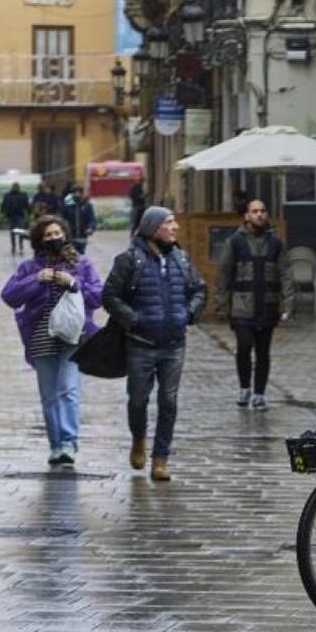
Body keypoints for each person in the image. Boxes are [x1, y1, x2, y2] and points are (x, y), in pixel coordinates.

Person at [102, 206, 206, 482]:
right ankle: (138, 439)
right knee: (138, 400)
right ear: (153, 227)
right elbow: (110, 296)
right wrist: (133, 319)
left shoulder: (180, 258)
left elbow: (199, 288)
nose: (175, 227)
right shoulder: (129, 260)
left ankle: (161, 459)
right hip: (141, 343)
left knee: (168, 401)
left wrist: (188, 313)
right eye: (169, 222)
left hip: (174, 344)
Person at [1, 215, 104, 467]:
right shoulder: (30, 268)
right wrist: (36, 279)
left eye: (57, 233)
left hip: (75, 336)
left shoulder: (81, 264)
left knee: (68, 388)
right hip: (41, 337)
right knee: (49, 395)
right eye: (48, 235)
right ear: (39, 240)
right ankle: (56, 445)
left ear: (65, 234)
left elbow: (99, 296)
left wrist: (74, 283)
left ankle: (68, 443)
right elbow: (9, 296)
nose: (54, 238)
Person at [214, 199, 294, 410]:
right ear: (247, 216)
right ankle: (244, 388)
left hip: (267, 306)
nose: (259, 214)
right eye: (255, 211)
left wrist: (288, 305)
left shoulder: (276, 243)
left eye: (262, 211)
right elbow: (224, 274)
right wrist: (221, 305)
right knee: (244, 346)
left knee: (263, 352)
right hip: (242, 307)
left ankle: (259, 394)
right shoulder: (235, 242)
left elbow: (285, 274)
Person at [60, 183, 97, 254]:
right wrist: (64, 229)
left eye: (79, 192)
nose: (77, 194)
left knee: (81, 255)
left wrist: (90, 228)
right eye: (75, 192)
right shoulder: (66, 206)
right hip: (70, 237)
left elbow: (92, 219)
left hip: (82, 236)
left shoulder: (87, 206)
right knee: (70, 255)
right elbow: (62, 219)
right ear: (71, 194)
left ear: (82, 193)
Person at [2, 182, 31, 255]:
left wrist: (3, 214)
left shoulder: (8, 195)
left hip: (14, 216)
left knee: (14, 232)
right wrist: (29, 213)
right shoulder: (22, 195)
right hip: (17, 216)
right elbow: (27, 205)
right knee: (18, 231)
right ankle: (18, 246)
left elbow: (4, 205)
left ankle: (15, 246)